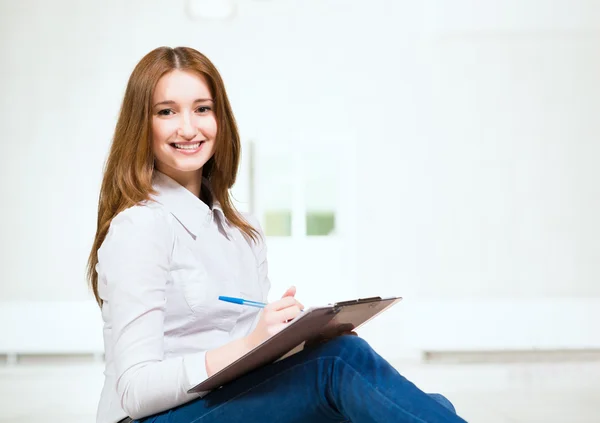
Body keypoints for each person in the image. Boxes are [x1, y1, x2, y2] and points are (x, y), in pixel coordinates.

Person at [87, 46, 468, 423]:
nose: (188, 127)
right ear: (142, 124)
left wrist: (292, 341)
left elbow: (246, 358)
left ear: (220, 119)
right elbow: (135, 391)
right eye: (166, 111)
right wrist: (250, 345)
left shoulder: (242, 232)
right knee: (343, 365)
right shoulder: (140, 226)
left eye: (202, 108)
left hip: (222, 401)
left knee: (419, 401)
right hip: (154, 418)